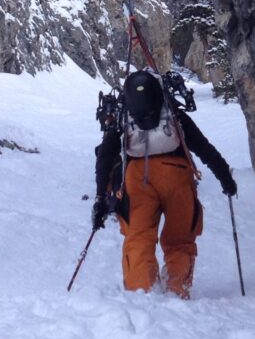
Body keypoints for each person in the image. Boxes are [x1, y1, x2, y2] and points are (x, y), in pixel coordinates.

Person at [92, 69, 237, 297]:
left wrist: (101, 197)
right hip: (177, 176)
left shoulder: (124, 117)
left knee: (138, 237)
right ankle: (176, 289)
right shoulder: (174, 115)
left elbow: (105, 157)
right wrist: (226, 179)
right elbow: (204, 148)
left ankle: (141, 291)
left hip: (138, 177)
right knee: (180, 240)